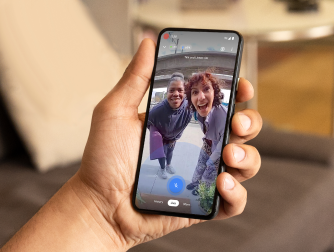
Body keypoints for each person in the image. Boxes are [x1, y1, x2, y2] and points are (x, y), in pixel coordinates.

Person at [1, 39, 262, 252]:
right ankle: (167, 167)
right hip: (160, 134)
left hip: (181, 138)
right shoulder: (159, 110)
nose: (180, 95)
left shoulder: (193, 111)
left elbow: (204, 125)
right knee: (167, 154)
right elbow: (153, 129)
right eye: (178, 91)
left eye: (184, 92)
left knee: (194, 159)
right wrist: (97, 207)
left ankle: (177, 169)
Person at [185, 72, 229, 195]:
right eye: (195, 92)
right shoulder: (197, 112)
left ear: (214, 93)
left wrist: (212, 160)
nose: (201, 97)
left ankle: (203, 193)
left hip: (218, 149)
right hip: (208, 142)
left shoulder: (224, 116)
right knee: (200, 164)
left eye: (206, 89)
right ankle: (195, 182)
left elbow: (222, 145)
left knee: (209, 172)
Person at [148, 72, 192, 179]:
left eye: (180, 90)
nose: (176, 94)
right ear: (166, 93)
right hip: (162, 138)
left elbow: (184, 124)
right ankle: (162, 168)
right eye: (171, 90)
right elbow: (149, 122)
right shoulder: (157, 110)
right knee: (162, 154)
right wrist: (157, 136)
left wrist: (175, 138)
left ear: (185, 92)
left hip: (173, 138)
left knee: (170, 152)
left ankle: (168, 165)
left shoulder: (188, 108)